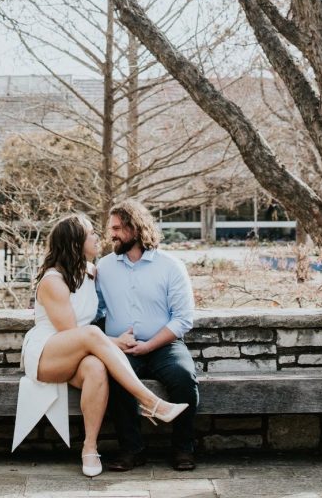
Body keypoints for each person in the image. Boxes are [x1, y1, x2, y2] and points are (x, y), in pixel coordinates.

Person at [12, 214, 188, 478]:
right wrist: (116, 342)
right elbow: (72, 332)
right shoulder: (52, 281)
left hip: (80, 352)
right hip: (48, 352)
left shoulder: (92, 271)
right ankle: (151, 402)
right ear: (75, 243)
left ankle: (90, 448)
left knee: (96, 367)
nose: (97, 237)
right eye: (91, 233)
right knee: (92, 334)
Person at [96, 199, 199, 472]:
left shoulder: (170, 266)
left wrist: (149, 345)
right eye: (111, 228)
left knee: (184, 378)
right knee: (115, 382)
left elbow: (183, 318)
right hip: (121, 348)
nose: (112, 234)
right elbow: (93, 310)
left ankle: (183, 449)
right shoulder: (103, 268)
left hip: (164, 345)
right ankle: (132, 451)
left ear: (135, 227)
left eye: (117, 228)